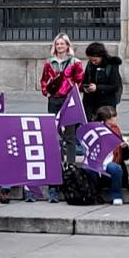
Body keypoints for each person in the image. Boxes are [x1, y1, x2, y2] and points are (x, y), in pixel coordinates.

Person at [39, 33, 84, 203]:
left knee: (70, 133)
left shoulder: (75, 62)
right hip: (54, 99)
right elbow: (44, 80)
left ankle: (71, 163)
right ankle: (57, 163)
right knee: (55, 133)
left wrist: (73, 91)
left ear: (67, 45)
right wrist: (47, 92)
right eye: (57, 44)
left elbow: (80, 80)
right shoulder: (49, 63)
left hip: (69, 100)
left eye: (62, 44)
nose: (60, 47)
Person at [92, 106, 129, 205]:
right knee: (89, 168)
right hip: (98, 166)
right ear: (105, 120)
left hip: (112, 165)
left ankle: (116, 195)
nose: (116, 118)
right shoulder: (96, 132)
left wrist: (123, 147)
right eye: (113, 117)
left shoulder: (116, 131)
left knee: (114, 167)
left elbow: (126, 157)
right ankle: (93, 194)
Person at [81, 42, 123, 119]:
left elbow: (115, 86)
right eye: (91, 60)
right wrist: (85, 87)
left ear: (101, 56)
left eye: (95, 60)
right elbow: (85, 80)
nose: (93, 62)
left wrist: (97, 88)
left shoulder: (111, 65)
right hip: (90, 102)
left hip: (106, 103)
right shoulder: (90, 65)